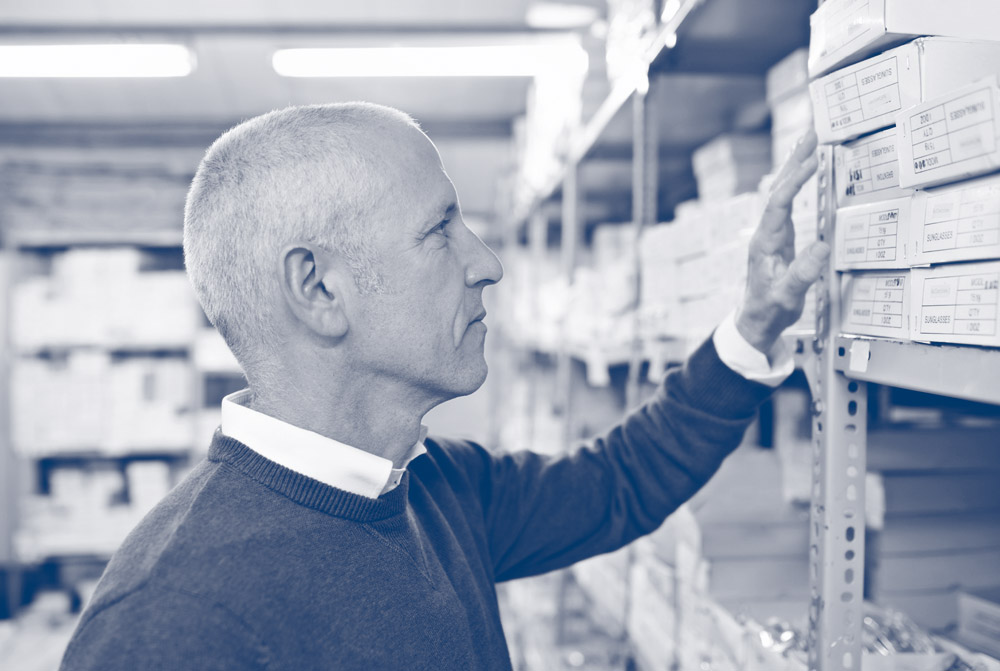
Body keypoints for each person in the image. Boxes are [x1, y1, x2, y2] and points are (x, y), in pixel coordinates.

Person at [60, 103, 828, 670]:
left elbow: (616, 484)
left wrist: (753, 326)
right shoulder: (171, 619)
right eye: (440, 231)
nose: (488, 262)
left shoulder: (436, 487)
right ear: (319, 289)